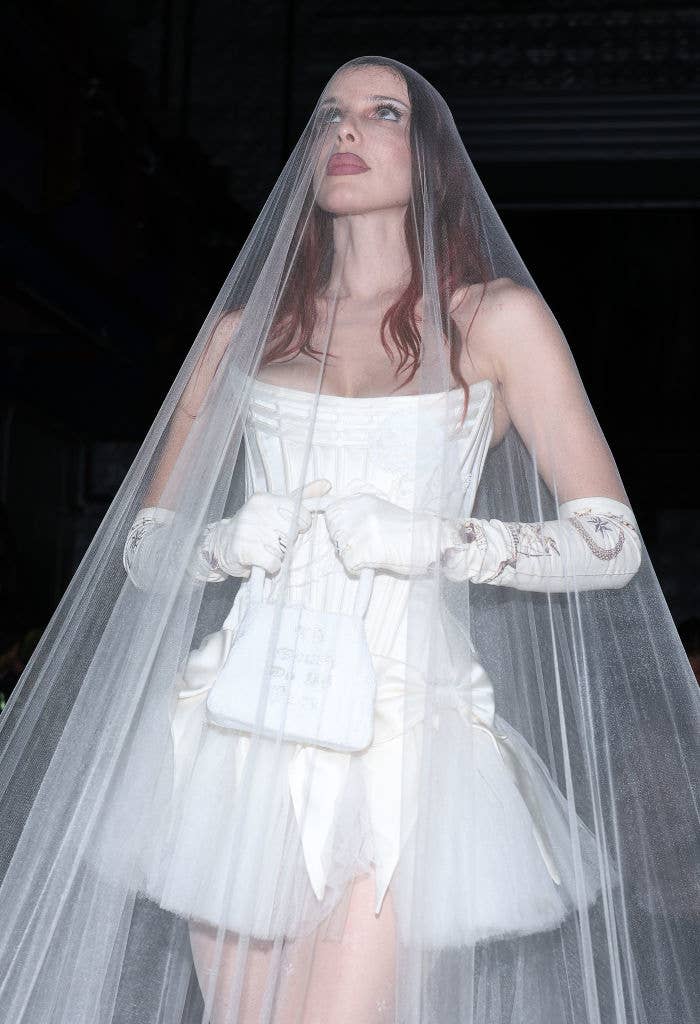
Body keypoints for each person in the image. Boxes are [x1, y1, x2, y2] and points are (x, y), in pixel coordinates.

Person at [0, 56, 697, 1024]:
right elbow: (145, 547)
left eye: (381, 112)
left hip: (401, 736)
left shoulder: (495, 318)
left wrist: (439, 541)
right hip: (242, 735)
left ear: (433, 156)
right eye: (331, 112)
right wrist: (225, 542)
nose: (346, 131)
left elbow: (610, 542)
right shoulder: (244, 332)